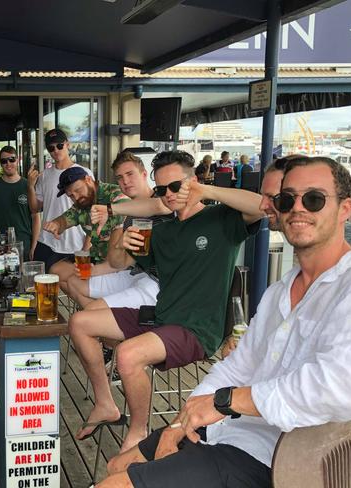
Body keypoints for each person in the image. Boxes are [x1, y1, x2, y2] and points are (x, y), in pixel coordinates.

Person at [99, 156, 351, 488]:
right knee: (118, 465)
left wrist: (225, 402)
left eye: (314, 199)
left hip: (281, 460)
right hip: (228, 432)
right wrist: (181, 423)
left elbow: (348, 388)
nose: (297, 209)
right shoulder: (280, 291)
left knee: (115, 486)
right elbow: (238, 367)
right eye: (286, 200)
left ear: (345, 208)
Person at [77, 150, 262, 452]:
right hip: (162, 317)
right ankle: (105, 403)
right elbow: (117, 262)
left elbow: (262, 207)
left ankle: (138, 431)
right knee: (80, 322)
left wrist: (209, 190)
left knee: (127, 355)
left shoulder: (221, 219)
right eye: (162, 190)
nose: (169, 195)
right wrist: (120, 243)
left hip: (197, 329)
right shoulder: (161, 229)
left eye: (176, 186)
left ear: (193, 181)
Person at [65, 151, 171, 309]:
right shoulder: (128, 215)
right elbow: (119, 263)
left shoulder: (163, 200)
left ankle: (99, 319)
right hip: (136, 274)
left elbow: (158, 205)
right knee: (73, 281)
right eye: (120, 178)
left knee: (89, 315)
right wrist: (91, 270)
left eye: (130, 174)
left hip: (160, 282)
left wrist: (109, 209)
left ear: (144, 174)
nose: (125, 181)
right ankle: (104, 323)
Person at [43, 166, 129, 294]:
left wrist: (109, 211)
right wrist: (56, 224)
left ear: (88, 179)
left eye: (78, 190)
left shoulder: (113, 195)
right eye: (71, 195)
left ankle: (95, 309)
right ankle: (91, 307)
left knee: (74, 282)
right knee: (55, 271)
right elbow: (65, 219)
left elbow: (127, 206)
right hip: (95, 258)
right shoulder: (82, 203)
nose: (76, 197)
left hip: (117, 264)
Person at [27, 128, 94, 271]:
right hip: (46, 241)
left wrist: (86, 247)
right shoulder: (44, 175)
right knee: (39, 287)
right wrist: (30, 186)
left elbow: (93, 213)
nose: (56, 150)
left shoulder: (85, 174)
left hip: (75, 242)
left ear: (67, 144)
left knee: (74, 288)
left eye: (59, 146)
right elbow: (35, 209)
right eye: (51, 148)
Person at [0, 145, 41, 260]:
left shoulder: (28, 186)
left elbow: (36, 217)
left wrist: (34, 246)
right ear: (1, 164)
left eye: (11, 159)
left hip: (24, 244)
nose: (8, 164)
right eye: (4, 161)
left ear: (17, 160)